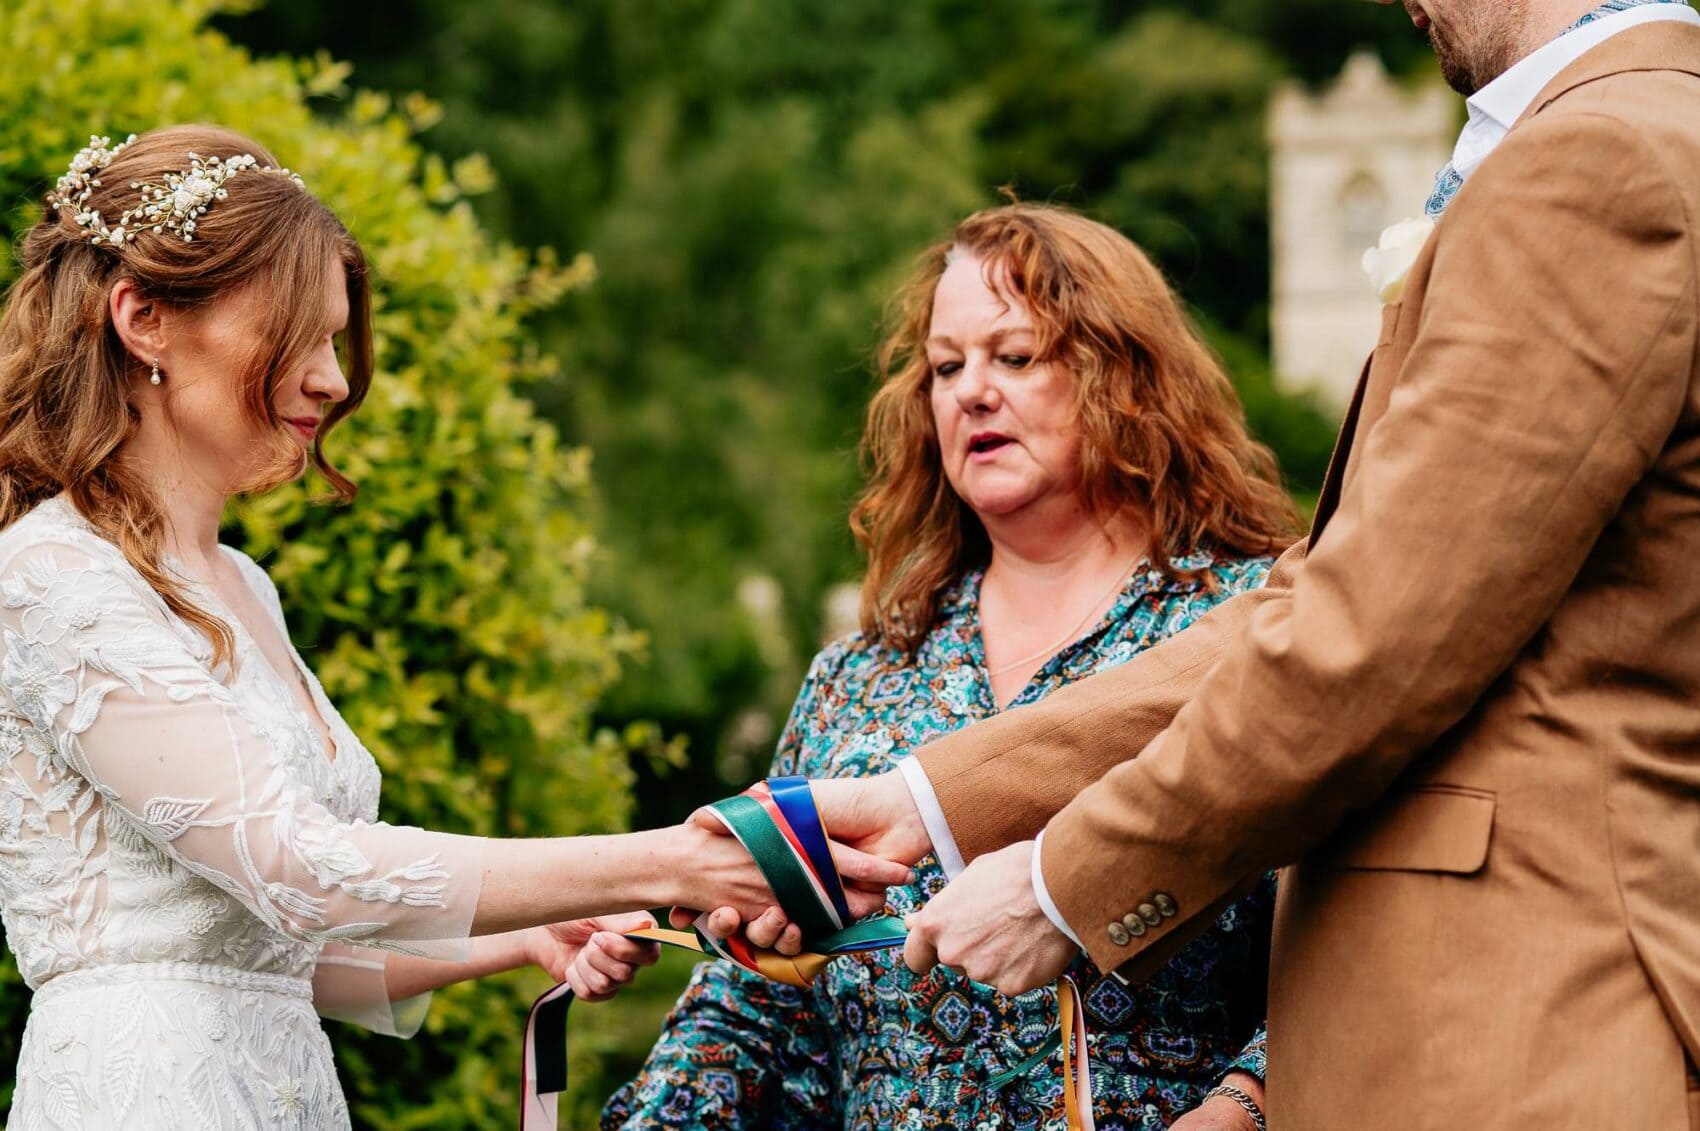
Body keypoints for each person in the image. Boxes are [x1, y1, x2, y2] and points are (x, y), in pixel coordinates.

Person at [759, 2, 1700, 1128]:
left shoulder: (1600, 155)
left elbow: (1372, 634)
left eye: (1015, 356)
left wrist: (1067, 883)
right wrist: (934, 797)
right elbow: (1322, 598)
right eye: (943, 365)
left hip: (1523, 1025)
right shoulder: (1621, 138)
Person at [0, 125, 909, 1130]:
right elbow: (301, 869)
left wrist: (528, 933)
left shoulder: (242, 587)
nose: (334, 379)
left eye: (338, 341)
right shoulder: (52, 577)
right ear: (144, 320)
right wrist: (674, 858)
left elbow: (270, 947)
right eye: (299, 334)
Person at [601, 203, 1301, 1130]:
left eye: (1014, 356)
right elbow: (760, 1002)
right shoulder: (858, 679)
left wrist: (1238, 1111)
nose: (971, 390)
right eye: (945, 366)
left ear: (1123, 375)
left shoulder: (1253, 623)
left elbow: (1352, 940)